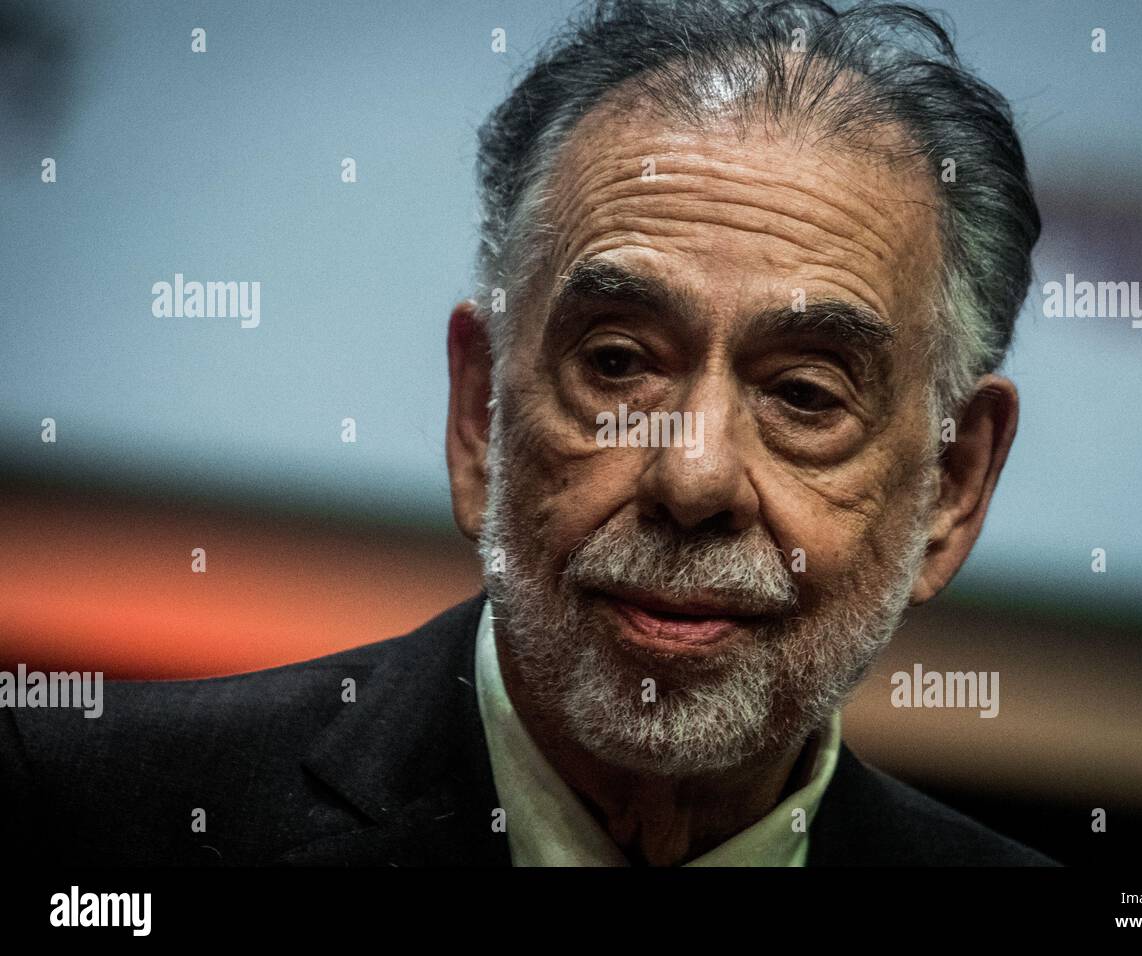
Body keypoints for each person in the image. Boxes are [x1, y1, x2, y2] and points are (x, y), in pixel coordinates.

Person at [0, 0, 1052, 866]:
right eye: (616, 362)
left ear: (953, 486)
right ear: (479, 415)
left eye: (808, 394)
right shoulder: (84, 820)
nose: (692, 476)